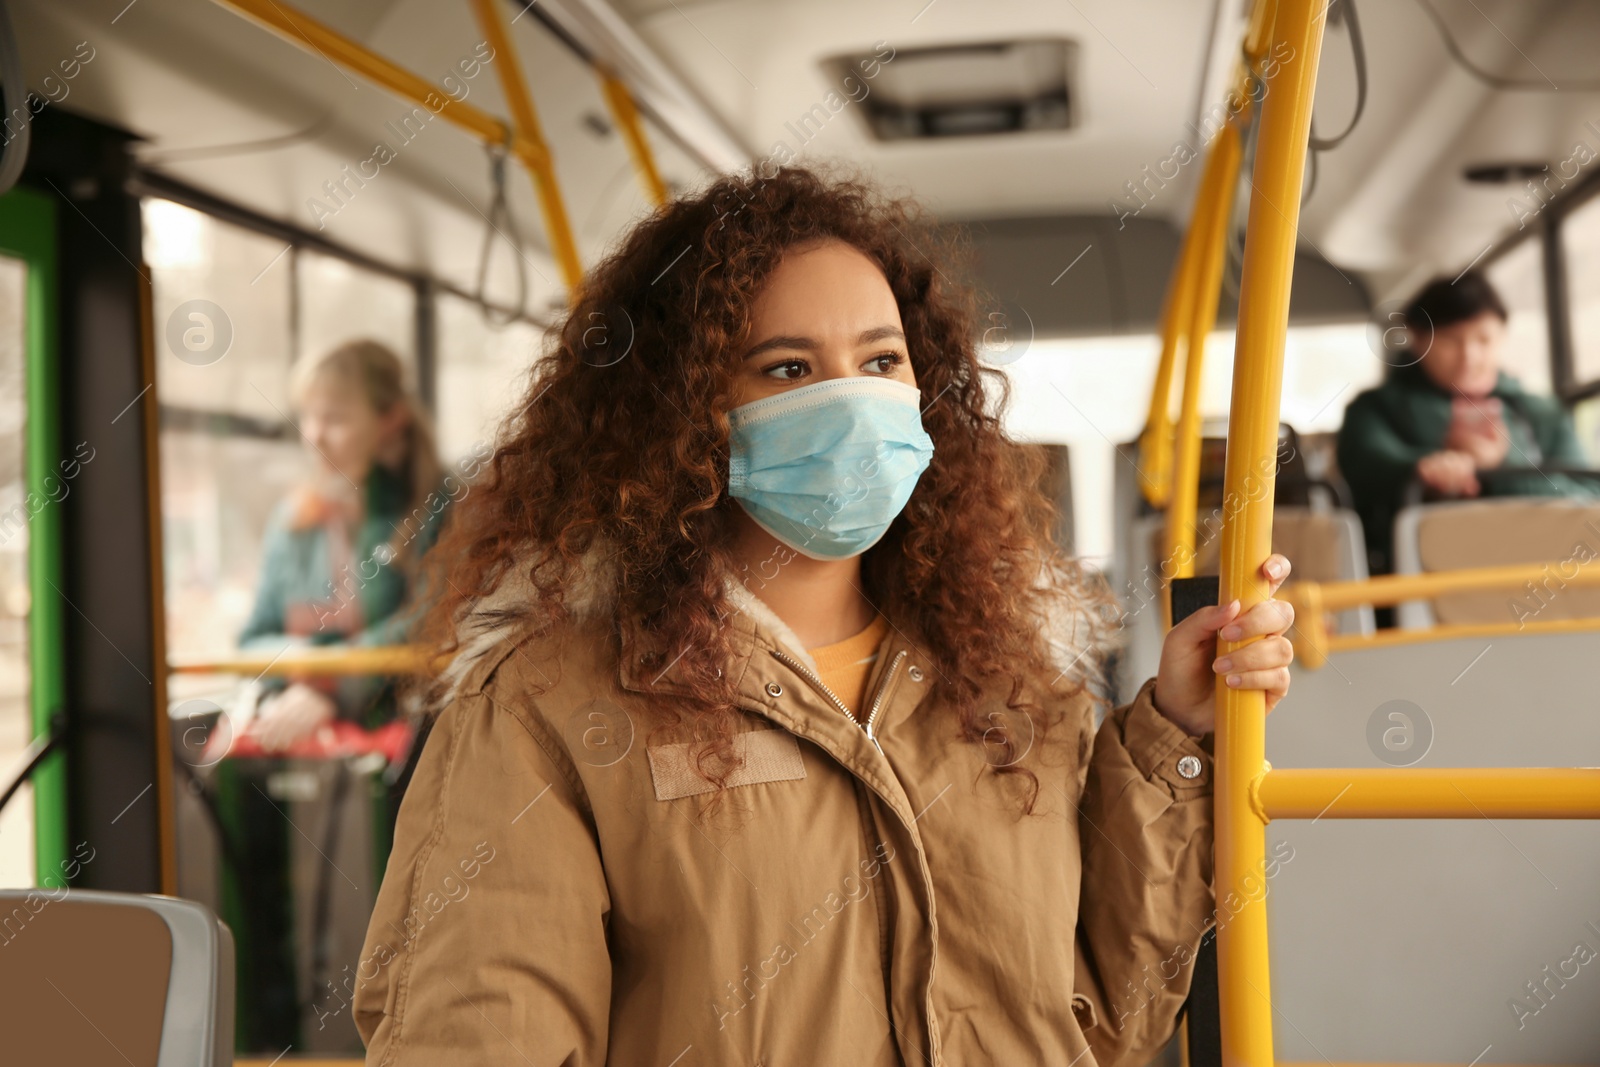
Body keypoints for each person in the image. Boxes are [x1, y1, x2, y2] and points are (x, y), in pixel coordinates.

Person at [353, 167, 1296, 1066]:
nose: (850, 401)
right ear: (687, 415)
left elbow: (1106, 1020)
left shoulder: (1011, 680)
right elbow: (478, 1032)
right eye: (790, 367)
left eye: (881, 361)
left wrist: (1172, 734)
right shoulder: (545, 706)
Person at [227, 338, 448, 1051]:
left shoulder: (437, 509)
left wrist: (325, 682)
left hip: (412, 749)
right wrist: (304, 677)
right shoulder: (294, 523)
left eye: (336, 419)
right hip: (303, 759)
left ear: (389, 420)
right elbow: (253, 637)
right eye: (306, 419)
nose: (315, 437)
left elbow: (432, 617)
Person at [1338, 270, 1596, 576]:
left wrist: (1500, 464)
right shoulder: (1373, 410)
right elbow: (1369, 467)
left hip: (1541, 578)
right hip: (1423, 587)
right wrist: (1426, 470)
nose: (1469, 357)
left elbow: (1589, 503)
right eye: (1451, 340)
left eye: (1483, 340)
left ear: (1502, 336)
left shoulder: (1543, 414)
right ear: (1417, 339)